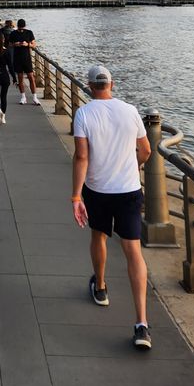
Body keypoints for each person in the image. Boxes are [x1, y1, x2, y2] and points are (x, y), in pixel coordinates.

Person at [72, 64, 152, 350]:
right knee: (133, 251)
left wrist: (76, 196)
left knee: (99, 237)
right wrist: (134, 166)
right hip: (129, 189)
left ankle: (102, 287)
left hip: (98, 189)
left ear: (89, 86)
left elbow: (81, 157)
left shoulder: (84, 114)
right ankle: (141, 324)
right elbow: (146, 150)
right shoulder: (130, 111)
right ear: (112, 84)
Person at [9, 18, 41, 105]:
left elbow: (34, 44)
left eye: (22, 29)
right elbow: (9, 44)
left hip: (27, 59)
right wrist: (15, 44)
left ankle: (35, 97)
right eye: (19, 29)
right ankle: (23, 97)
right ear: (17, 27)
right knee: (20, 78)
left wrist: (28, 44)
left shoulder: (29, 32)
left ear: (25, 27)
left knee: (31, 77)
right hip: (17, 59)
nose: (21, 30)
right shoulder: (13, 33)